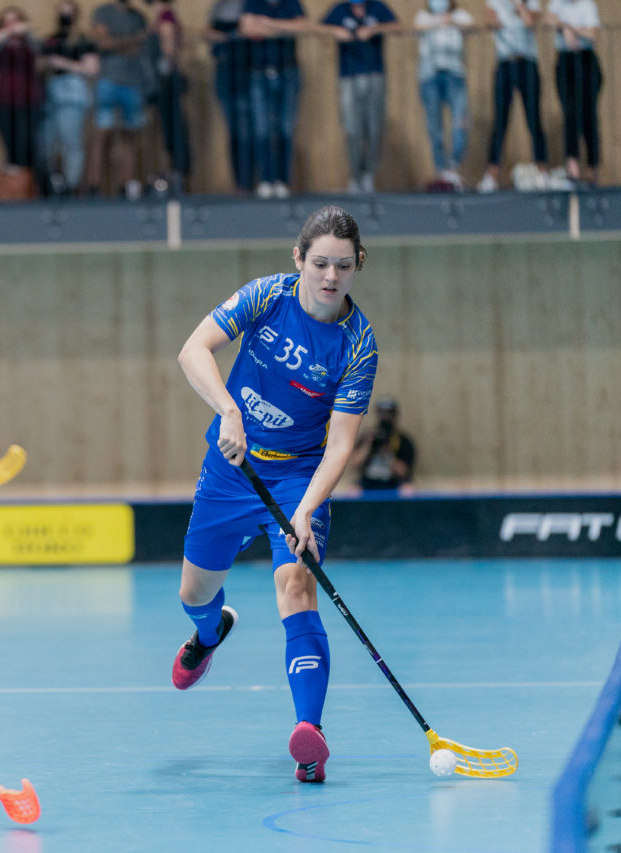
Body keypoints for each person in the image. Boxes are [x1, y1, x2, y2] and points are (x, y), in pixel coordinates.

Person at [172, 205, 377, 785]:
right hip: (231, 467)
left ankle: (309, 736)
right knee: (194, 591)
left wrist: (307, 510)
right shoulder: (267, 296)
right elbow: (194, 350)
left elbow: (340, 447)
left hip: (296, 481)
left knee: (296, 584)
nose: (330, 277)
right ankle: (209, 634)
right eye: (319, 264)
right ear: (299, 260)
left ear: (358, 265)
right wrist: (228, 409)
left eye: (342, 265)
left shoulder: (358, 345)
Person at [320, 0, 400, 194]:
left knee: (374, 128)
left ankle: (368, 174)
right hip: (349, 77)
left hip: (374, 75)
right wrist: (335, 32)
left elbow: (398, 25)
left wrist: (375, 30)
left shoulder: (377, 7)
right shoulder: (340, 9)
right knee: (352, 129)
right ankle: (355, 175)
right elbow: (318, 26)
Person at [477, 0, 550, 192]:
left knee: (534, 119)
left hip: (527, 63)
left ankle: (542, 172)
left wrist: (519, 6)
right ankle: (492, 175)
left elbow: (530, 23)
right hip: (505, 64)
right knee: (500, 121)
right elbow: (490, 22)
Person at [240, 0, 306, 199]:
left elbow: (302, 27)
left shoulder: (291, 3)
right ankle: (266, 179)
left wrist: (267, 24)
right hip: (259, 72)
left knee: (285, 128)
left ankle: (282, 180)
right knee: (262, 129)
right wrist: (284, 27)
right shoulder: (253, 3)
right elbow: (247, 28)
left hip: (287, 71)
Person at [87, 0, 149, 199]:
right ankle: (94, 185)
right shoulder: (102, 12)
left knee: (129, 135)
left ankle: (126, 185)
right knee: (102, 133)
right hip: (108, 80)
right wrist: (132, 40)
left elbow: (139, 49)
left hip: (133, 82)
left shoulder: (139, 17)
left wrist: (118, 43)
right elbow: (103, 43)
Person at [39, 0, 98, 197]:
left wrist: (63, 63)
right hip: (50, 93)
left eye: (68, 12)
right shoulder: (51, 40)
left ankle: (70, 185)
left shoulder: (82, 40)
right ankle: (52, 182)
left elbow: (91, 68)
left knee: (71, 141)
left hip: (72, 93)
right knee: (47, 143)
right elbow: (40, 64)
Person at [414, 0, 474, 191]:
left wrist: (451, 21)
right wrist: (439, 22)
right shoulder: (423, 16)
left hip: (455, 75)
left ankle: (453, 166)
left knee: (460, 122)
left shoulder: (459, 15)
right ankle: (442, 172)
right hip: (429, 76)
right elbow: (418, 26)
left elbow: (471, 24)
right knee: (434, 126)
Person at [546, 0, 602, 187]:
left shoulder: (587, 5)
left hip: (586, 61)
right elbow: (549, 19)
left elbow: (592, 34)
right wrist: (564, 27)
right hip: (566, 62)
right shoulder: (557, 4)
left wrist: (570, 28)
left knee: (589, 116)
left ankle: (593, 169)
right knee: (570, 114)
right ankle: (573, 168)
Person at [0, 6, 44, 193]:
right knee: (12, 148)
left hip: (29, 102)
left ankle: (33, 189)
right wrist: (7, 32)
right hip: (5, 102)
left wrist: (26, 31)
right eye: (7, 21)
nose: (12, 25)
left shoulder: (29, 41)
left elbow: (39, 47)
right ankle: (15, 192)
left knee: (29, 146)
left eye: (15, 21)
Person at [205, 0, 253, 195]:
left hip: (247, 73)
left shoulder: (249, 5)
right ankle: (240, 183)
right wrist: (225, 36)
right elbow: (207, 32)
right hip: (225, 73)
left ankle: (249, 181)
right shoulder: (219, 7)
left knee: (247, 132)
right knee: (233, 132)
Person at [150, 0, 192, 195]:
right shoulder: (164, 16)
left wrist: (166, 67)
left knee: (173, 129)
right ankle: (178, 171)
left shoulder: (165, 17)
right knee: (172, 128)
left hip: (166, 80)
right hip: (167, 79)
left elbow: (168, 48)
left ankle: (179, 173)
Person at [349, 396, 415, 492]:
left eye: (389, 413)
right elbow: (354, 464)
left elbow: (404, 472)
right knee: (353, 490)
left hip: (393, 482)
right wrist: (367, 446)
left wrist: (387, 454)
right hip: (368, 482)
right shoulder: (368, 437)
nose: (385, 417)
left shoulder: (403, 440)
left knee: (408, 490)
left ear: (395, 415)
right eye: (382, 413)